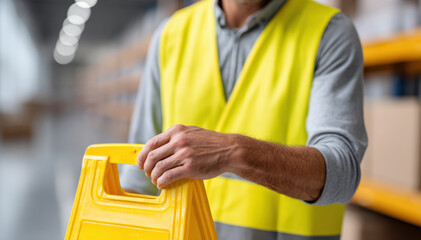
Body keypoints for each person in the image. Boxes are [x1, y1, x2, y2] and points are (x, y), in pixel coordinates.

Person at [120, 0, 368, 239]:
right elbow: (139, 175)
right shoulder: (170, 35)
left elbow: (342, 173)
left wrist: (233, 152)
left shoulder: (328, 32)